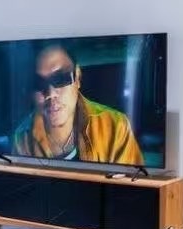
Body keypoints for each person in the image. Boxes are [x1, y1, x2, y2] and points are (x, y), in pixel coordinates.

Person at [10, 43, 144, 166]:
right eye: (38, 83)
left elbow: (131, 182)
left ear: (78, 77)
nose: (50, 93)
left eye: (61, 78)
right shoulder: (22, 138)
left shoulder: (116, 126)